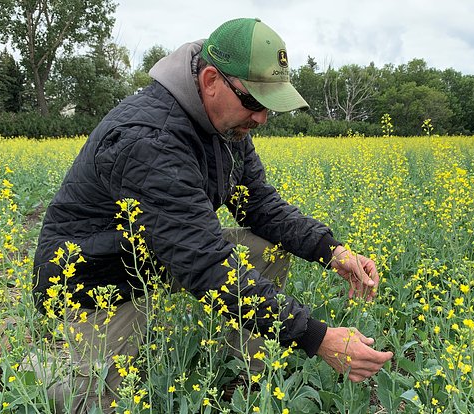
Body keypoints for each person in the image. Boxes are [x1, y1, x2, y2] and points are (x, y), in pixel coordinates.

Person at [32, 17, 393, 412]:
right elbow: (207, 264)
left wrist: (332, 251)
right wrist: (317, 338)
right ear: (209, 81)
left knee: (265, 245)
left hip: (160, 253)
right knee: (99, 401)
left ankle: (256, 374)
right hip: (98, 276)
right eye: (254, 102)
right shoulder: (148, 138)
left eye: (269, 106)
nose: (261, 119)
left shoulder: (226, 128)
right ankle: (22, 375)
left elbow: (258, 203)